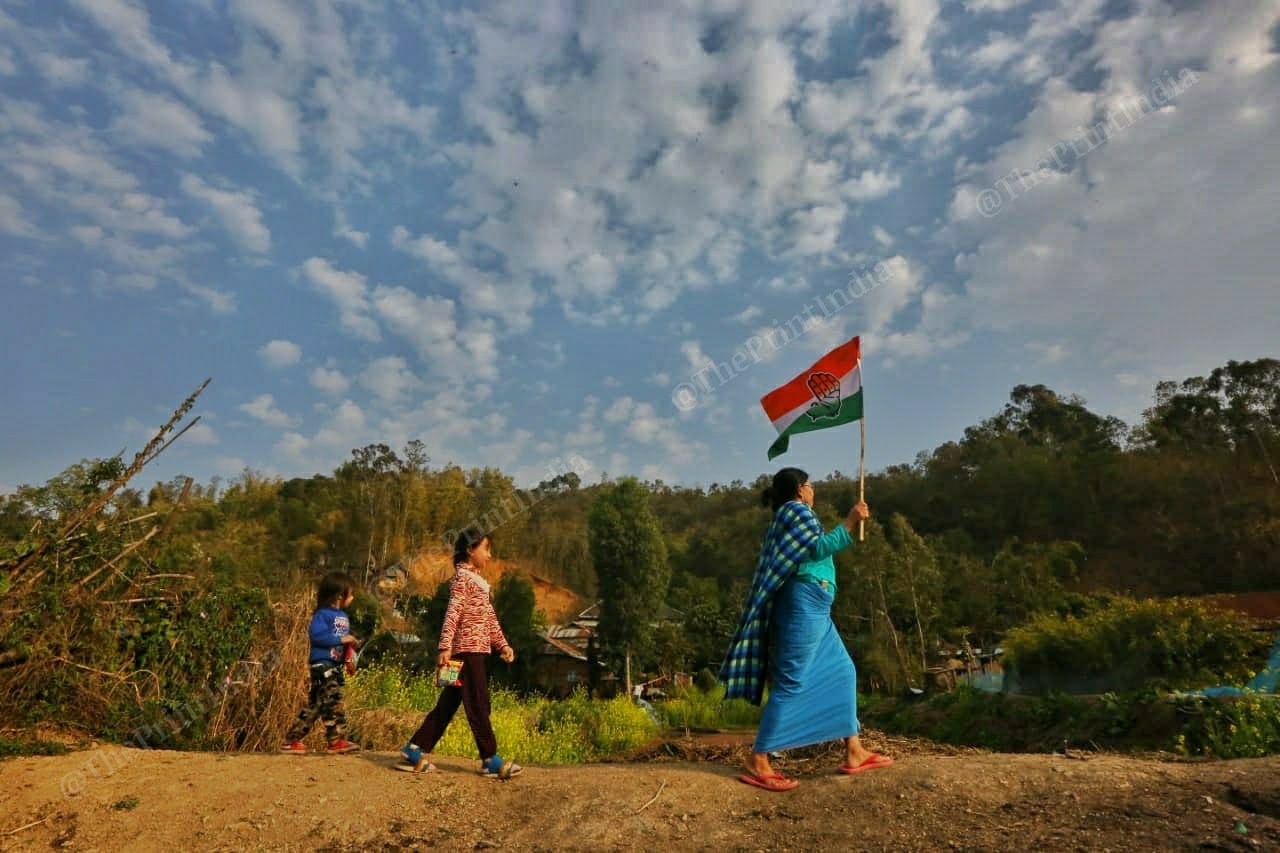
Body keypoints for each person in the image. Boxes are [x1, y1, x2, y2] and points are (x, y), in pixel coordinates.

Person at [720, 468, 892, 791]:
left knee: (843, 670)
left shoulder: (794, 514)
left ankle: (854, 750)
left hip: (816, 606)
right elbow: (815, 550)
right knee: (791, 678)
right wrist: (851, 522)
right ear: (801, 490)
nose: (813, 490)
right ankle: (758, 759)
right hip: (803, 603)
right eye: (810, 485)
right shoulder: (795, 511)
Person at [398, 528, 522, 778]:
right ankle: (489, 759)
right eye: (486, 548)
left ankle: (414, 748)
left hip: (474, 650)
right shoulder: (462, 580)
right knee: (478, 703)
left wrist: (503, 645)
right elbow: (452, 613)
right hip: (466, 652)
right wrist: (444, 647)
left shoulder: (477, 582)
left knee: (448, 703)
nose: (489, 554)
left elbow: (489, 619)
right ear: (470, 550)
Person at [281, 571, 361, 754]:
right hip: (322, 666)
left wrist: (349, 655)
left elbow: (341, 641)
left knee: (316, 706)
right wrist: (342, 639)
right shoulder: (323, 614)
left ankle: (291, 741)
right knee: (333, 701)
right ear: (340, 595)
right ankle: (336, 740)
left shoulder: (343, 616)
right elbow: (317, 636)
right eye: (351, 594)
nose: (353, 598)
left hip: (334, 666)